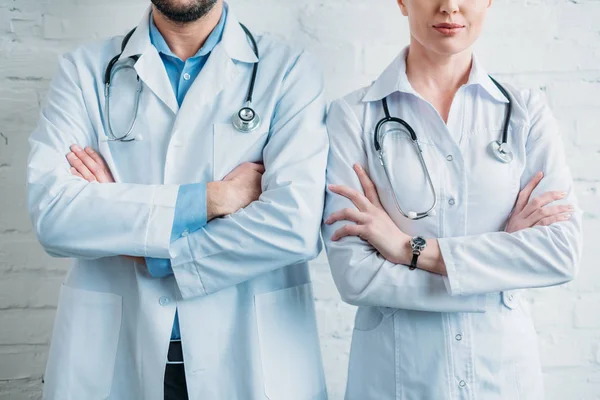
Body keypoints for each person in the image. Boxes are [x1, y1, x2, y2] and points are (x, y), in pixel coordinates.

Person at [27, 1, 328, 399]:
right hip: (114, 352)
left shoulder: (287, 71)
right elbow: (54, 214)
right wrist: (213, 198)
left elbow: (294, 226)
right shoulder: (84, 73)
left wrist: (146, 246)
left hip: (249, 356)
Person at [322, 0, 583, 398]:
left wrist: (408, 248)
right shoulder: (353, 117)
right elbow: (356, 276)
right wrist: (496, 273)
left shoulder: (525, 113)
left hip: (503, 377)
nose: (450, 7)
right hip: (398, 378)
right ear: (402, 2)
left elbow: (559, 252)